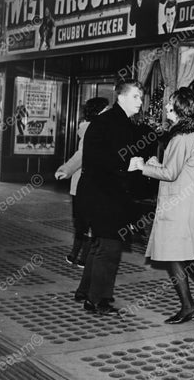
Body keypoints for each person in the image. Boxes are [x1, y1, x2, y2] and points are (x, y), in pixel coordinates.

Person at [130, 87, 194, 324]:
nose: (166, 107)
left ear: (179, 109)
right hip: (190, 203)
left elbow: (169, 173)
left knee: (173, 255)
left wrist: (142, 167)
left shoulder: (180, 138)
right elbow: (179, 168)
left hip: (179, 206)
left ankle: (188, 307)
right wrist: (156, 163)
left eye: (170, 104)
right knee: (187, 252)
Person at [74, 79, 143, 315]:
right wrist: (128, 164)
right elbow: (101, 158)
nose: (140, 102)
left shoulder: (114, 121)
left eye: (141, 97)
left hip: (97, 191)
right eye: (136, 97)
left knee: (100, 243)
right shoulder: (113, 122)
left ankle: (85, 291)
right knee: (111, 247)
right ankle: (97, 300)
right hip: (103, 193)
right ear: (121, 97)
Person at [55, 97, 109, 268]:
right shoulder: (94, 131)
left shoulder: (91, 129)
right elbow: (81, 156)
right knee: (89, 223)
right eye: (106, 110)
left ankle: (74, 255)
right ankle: (83, 258)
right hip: (88, 184)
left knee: (81, 222)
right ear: (99, 112)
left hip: (81, 185)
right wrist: (65, 169)